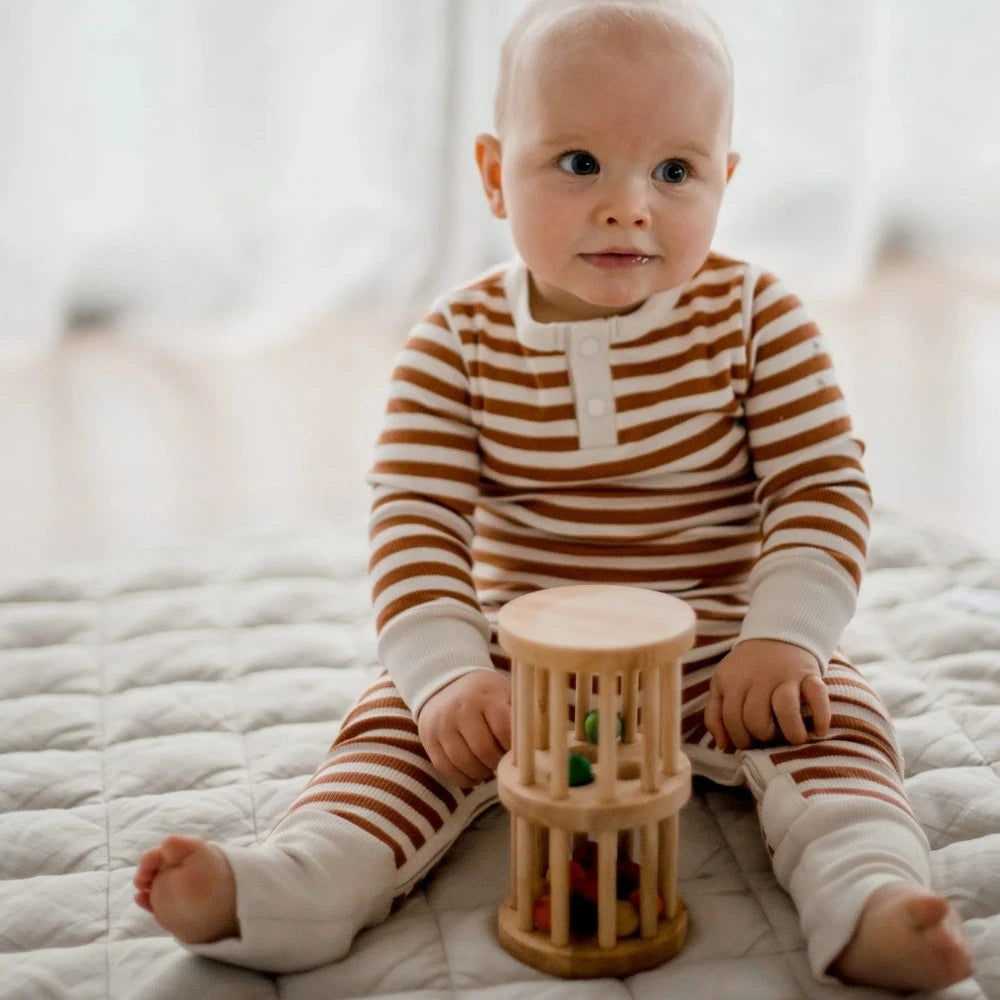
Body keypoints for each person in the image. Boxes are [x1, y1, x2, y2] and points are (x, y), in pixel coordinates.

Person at [133, 0, 973, 990]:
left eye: (673, 171)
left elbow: (819, 480)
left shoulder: (758, 318)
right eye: (579, 165)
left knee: (833, 727)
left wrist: (785, 634)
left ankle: (870, 897)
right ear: (495, 175)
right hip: (518, 649)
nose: (629, 205)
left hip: (721, 637)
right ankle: (289, 886)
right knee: (393, 736)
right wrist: (446, 673)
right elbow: (416, 516)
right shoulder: (455, 341)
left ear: (724, 181)